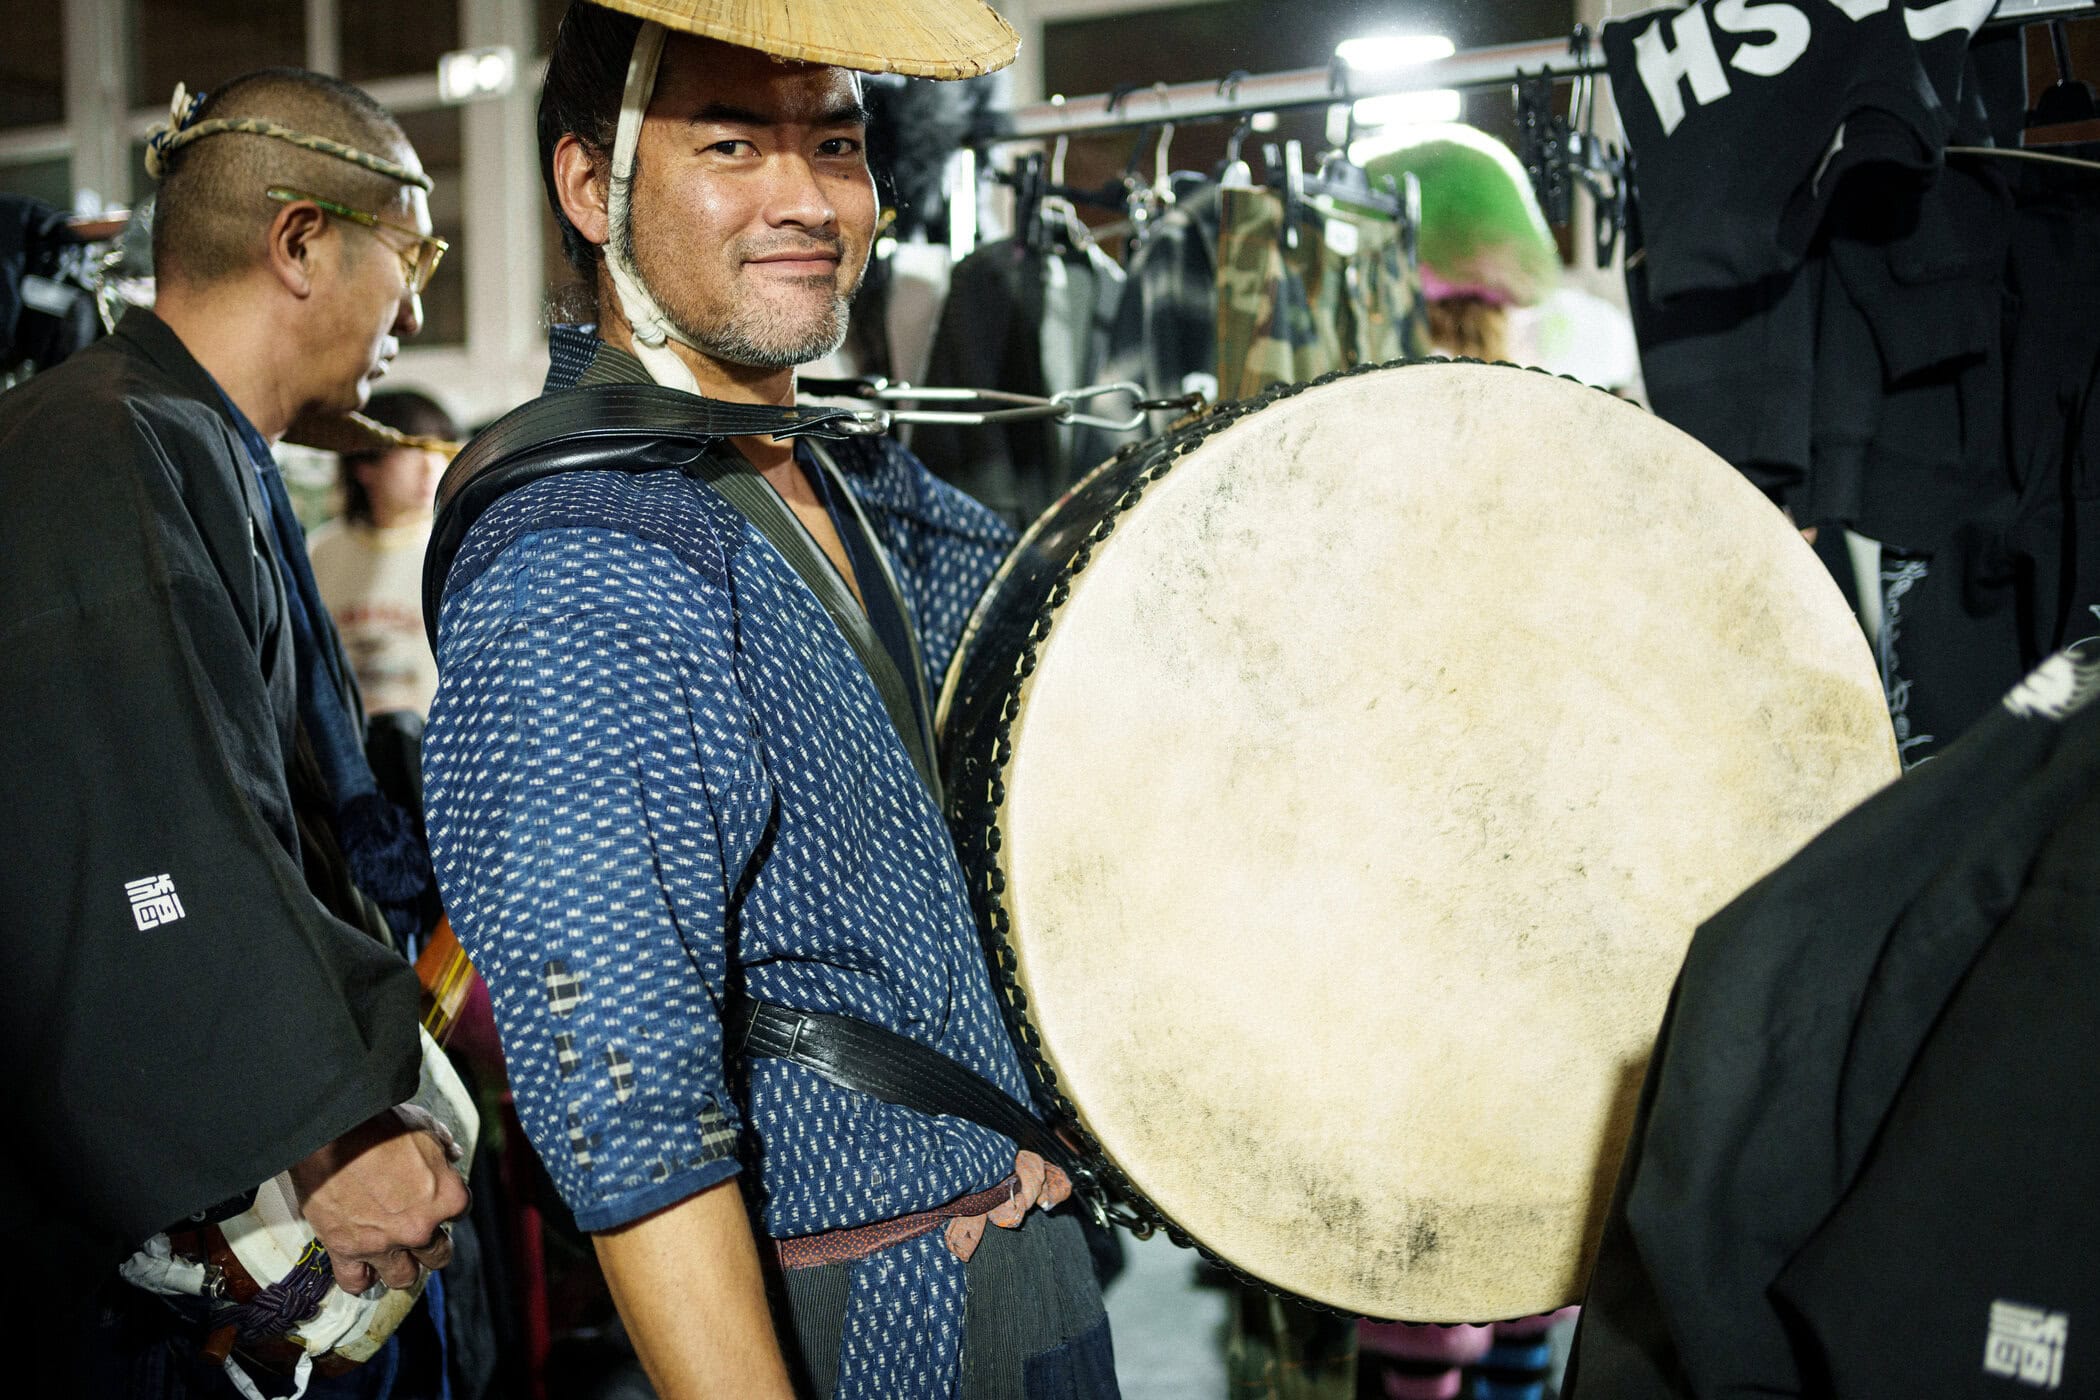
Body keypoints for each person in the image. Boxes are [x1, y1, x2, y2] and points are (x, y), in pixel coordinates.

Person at [419, 4, 1118, 1398]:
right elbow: (628, 1113)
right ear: (587, 185)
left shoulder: (826, 473)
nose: (809, 200)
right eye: (734, 143)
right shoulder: (586, 562)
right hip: (868, 1313)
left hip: (1003, 1249)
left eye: (839, 144)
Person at [0, 67, 469, 1395]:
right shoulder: (101, 447)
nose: (419, 307)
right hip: (154, 1290)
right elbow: (146, 842)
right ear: (302, 242)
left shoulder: (191, 437)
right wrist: (320, 1121)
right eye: (411, 251)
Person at [309, 389, 459, 719]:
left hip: (430, 746)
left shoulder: (454, 550)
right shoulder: (321, 552)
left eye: (440, 450)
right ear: (363, 463)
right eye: (414, 450)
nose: (430, 467)